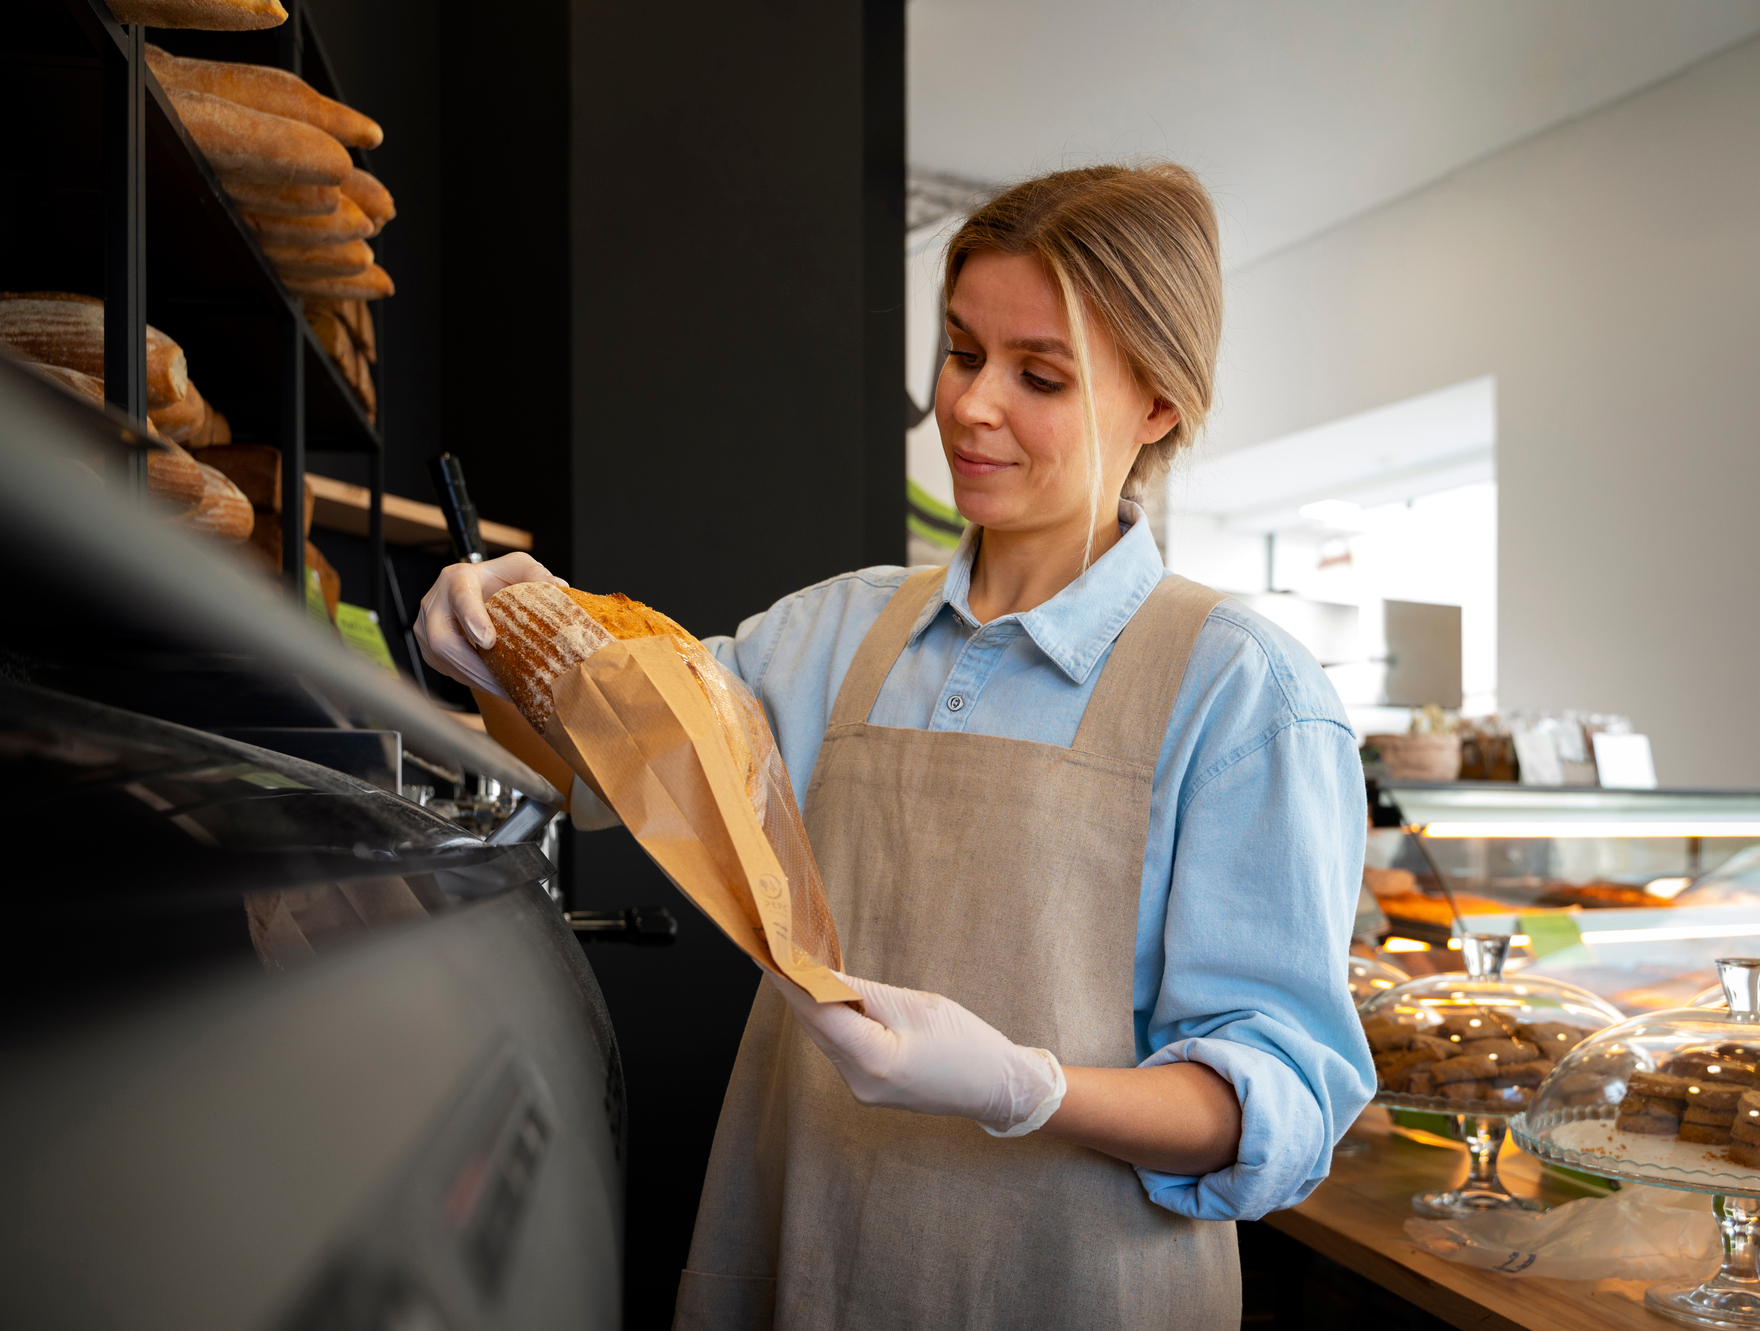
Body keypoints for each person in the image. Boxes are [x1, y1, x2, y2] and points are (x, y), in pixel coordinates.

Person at [417, 163, 1371, 1330]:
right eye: (963, 352)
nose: (970, 407)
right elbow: (603, 771)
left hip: (1071, 1287)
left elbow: (1279, 1099)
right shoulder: (834, 629)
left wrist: (1026, 1085)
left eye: (1041, 375)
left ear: (1159, 404)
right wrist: (498, 655)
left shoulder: (1241, 693)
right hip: (796, 1255)